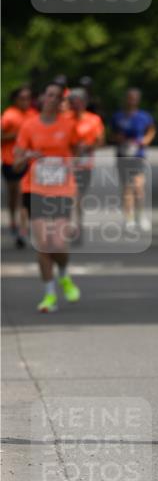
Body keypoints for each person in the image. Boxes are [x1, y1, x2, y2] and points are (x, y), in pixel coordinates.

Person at [13, 81, 81, 313]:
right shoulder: (28, 126)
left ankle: (63, 274)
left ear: (61, 101)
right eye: (48, 94)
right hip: (36, 189)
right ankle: (49, 295)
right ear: (42, 98)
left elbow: (79, 149)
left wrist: (75, 159)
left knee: (58, 244)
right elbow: (16, 163)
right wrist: (29, 155)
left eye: (55, 96)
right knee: (43, 245)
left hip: (62, 189)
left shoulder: (69, 125)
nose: (50, 99)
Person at [111, 88, 155, 234]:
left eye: (135, 98)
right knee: (127, 188)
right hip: (123, 155)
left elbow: (151, 130)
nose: (132, 100)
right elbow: (111, 134)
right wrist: (119, 139)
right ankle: (129, 219)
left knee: (139, 188)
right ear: (126, 99)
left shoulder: (144, 116)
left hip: (138, 155)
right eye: (130, 97)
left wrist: (145, 140)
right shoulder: (118, 116)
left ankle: (140, 216)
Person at [68, 87, 105, 241]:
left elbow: (101, 141)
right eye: (73, 103)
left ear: (85, 103)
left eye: (79, 102)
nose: (76, 106)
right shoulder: (64, 119)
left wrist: (89, 146)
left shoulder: (94, 119)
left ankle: (78, 226)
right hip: (66, 163)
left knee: (78, 196)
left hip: (85, 164)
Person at [2, 85, 35, 247]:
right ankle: (13, 221)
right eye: (23, 98)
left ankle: (22, 229)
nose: (26, 101)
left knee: (24, 196)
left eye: (28, 98)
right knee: (14, 195)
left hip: (28, 162)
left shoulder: (32, 114)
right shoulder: (9, 116)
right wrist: (15, 135)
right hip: (10, 161)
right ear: (15, 100)